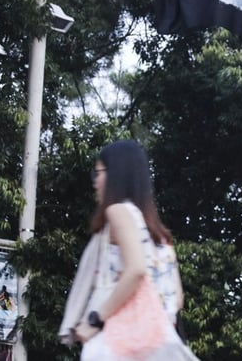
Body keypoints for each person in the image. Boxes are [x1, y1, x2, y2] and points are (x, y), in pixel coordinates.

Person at [59, 139, 197, 360]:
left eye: (98, 173)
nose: (95, 182)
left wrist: (95, 319)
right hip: (156, 345)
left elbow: (136, 269)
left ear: (116, 174)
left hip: (120, 343)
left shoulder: (118, 212)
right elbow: (177, 298)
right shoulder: (160, 235)